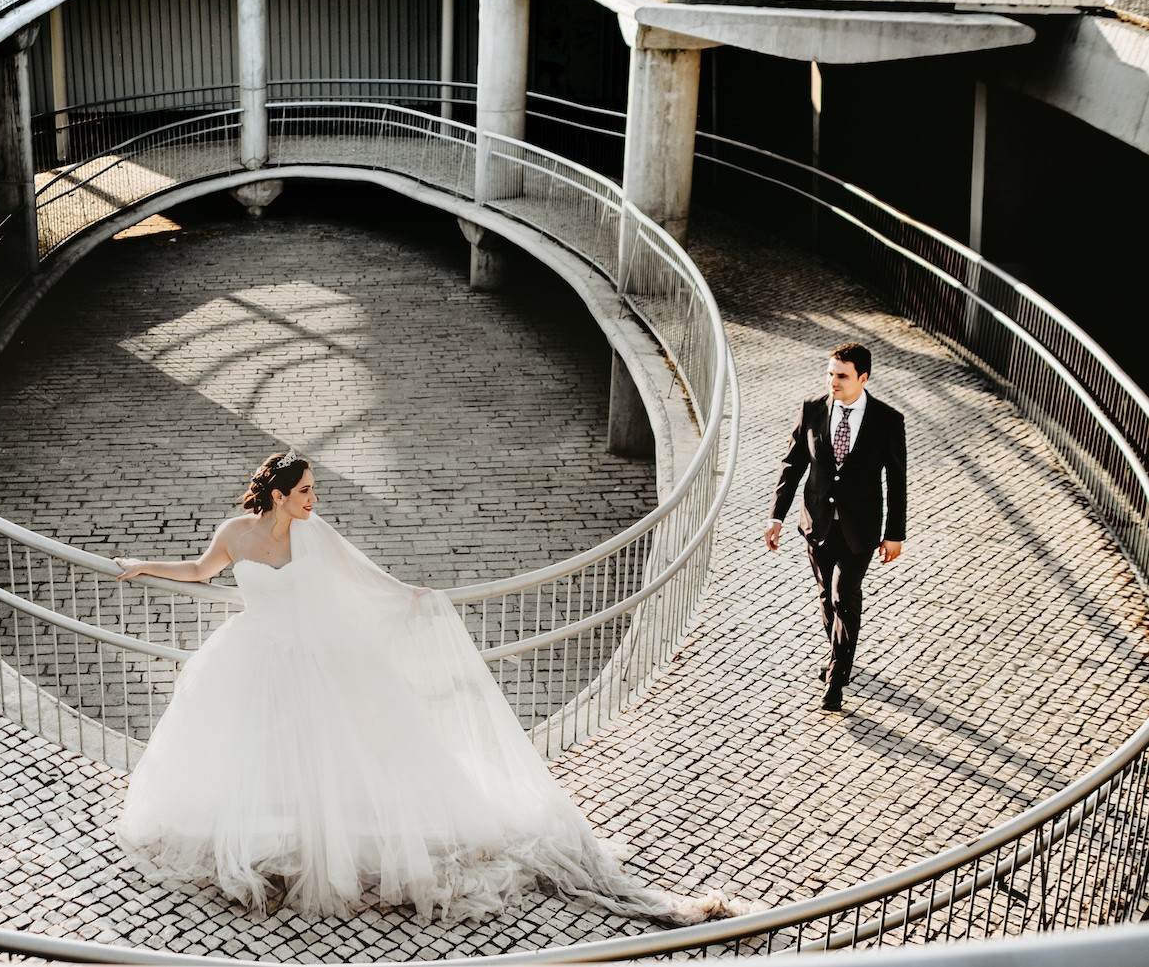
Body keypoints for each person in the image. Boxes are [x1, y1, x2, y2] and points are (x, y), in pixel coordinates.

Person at [112, 450, 742, 924]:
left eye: (313, 491)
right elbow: (198, 571)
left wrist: (414, 599)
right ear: (276, 495)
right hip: (257, 658)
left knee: (337, 759)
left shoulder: (314, 533)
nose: (313, 499)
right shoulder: (234, 534)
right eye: (304, 492)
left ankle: (319, 848)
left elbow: (364, 577)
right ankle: (272, 845)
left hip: (318, 659)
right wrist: (139, 563)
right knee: (263, 755)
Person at [764, 343, 906, 713]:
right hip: (818, 524)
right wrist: (776, 516)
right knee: (827, 595)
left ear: (863, 378)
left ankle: (836, 677)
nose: (833, 381)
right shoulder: (813, 410)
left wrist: (895, 533)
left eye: (841, 375)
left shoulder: (887, 420)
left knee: (844, 596)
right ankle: (837, 654)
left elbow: (897, 481)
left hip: (860, 529)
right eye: (829, 373)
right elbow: (793, 464)